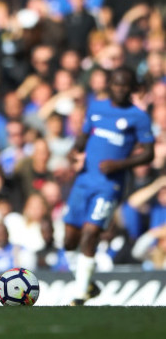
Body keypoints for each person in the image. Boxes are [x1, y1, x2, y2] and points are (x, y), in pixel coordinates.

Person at [63, 67, 154, 306]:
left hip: (109, 186)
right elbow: (83, 136)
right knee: (69, 240)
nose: (120, 89)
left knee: (92, 232)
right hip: (83, 181)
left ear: (132, 88)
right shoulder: (96, 107)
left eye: (125, 85)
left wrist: (120, 164)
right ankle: (88, 284)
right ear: (109, 85)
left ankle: (79, 295)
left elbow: (149, 154)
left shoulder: (139, 117)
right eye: (115, 84)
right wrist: (75, 151)